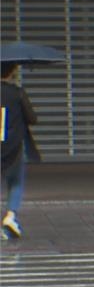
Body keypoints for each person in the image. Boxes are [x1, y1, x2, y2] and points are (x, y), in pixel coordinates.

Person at [1, 62, 41, 240]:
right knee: (15, 182)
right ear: (11, 73)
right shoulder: (17, 93)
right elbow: (32, 119)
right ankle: (10, 216)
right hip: (13, 147)